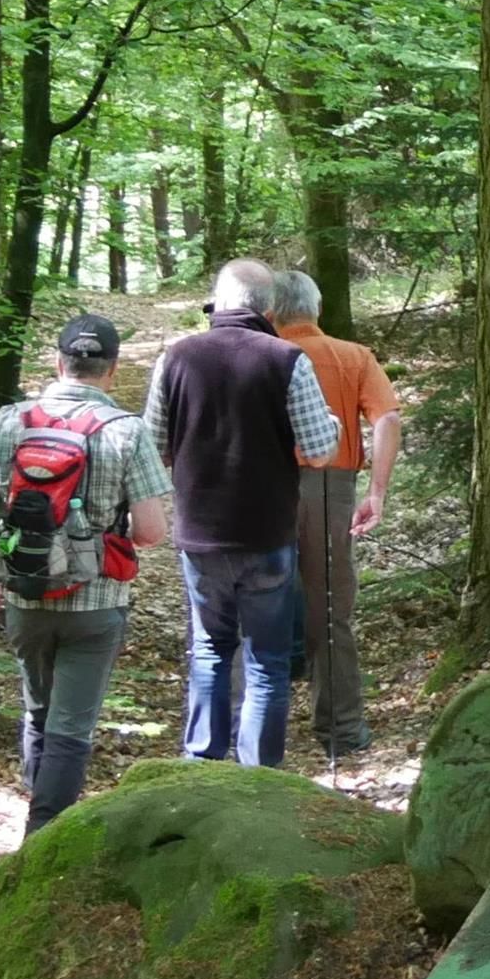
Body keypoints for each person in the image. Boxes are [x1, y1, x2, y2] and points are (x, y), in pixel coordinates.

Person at [0, 313, 173, 832]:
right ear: (112, 370)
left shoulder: (12, 420)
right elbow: (151, 532)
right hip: (96, 604)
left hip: (24, 597)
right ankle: (43, 838)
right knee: (71, 728)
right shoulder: (127, 430)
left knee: (38, 712)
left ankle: (39, 819)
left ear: (58, 362)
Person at [141, 258, 340, 768]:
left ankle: (202, 767)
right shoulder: (286, 359)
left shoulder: (175, 358)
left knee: (210, 650)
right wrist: (332, 423)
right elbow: (321, 450)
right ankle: (259, 776)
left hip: (200, 534)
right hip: (268, 534)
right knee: (267, 661)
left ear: (219, 303)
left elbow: (152, 447)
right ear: (270, 310)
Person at [270, 268, 403, 766]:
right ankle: (341, 728)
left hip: (265, 486)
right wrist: (378, 492)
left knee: (253, 601)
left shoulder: (262, 354)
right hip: (331, 488)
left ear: (271, 312)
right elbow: (387, 417)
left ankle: (252, 729)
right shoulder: (353, 356)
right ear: (317, 308)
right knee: (330, 608)